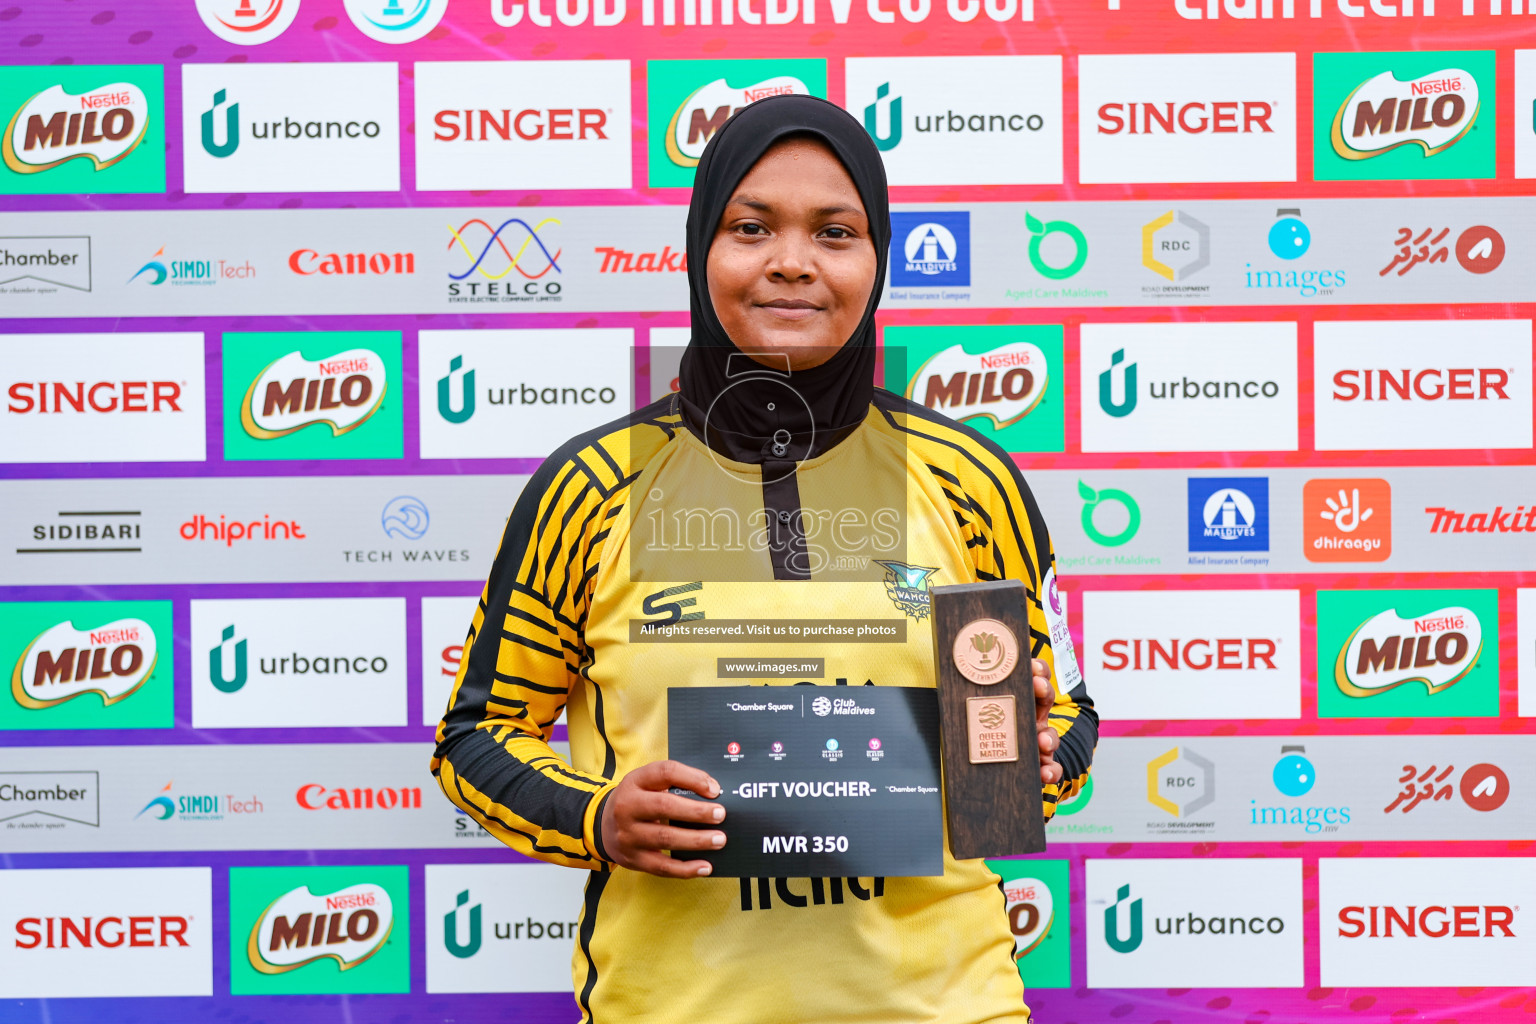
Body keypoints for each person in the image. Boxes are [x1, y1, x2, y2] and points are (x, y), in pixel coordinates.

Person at [431, 94, 1097, 1023]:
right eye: (752, 228)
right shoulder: (593, 485)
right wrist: (598, 817)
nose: (792, 261)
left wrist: (1027, 762)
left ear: (877, 260)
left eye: (835, 231)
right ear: (702, 247)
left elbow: (1058, 723)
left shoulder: (966, 479)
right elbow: (473, 739)